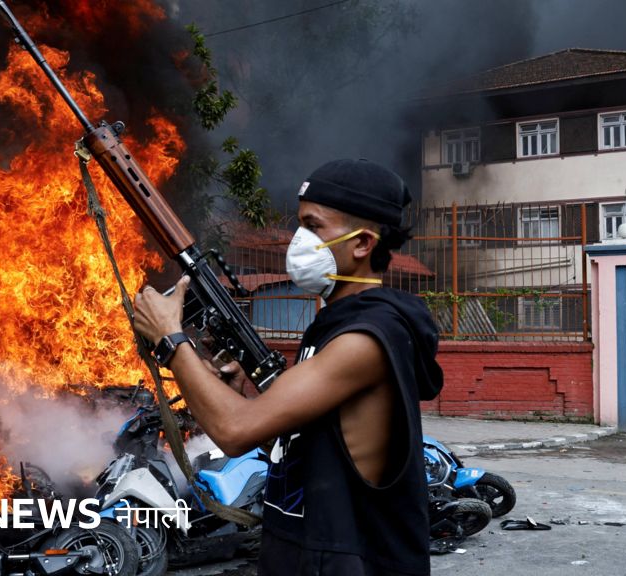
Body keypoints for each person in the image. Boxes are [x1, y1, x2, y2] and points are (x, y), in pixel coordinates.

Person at [133, 159, 443, 575]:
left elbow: (235, 433)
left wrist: (171, 339)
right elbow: (296, 447)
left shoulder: (366, 338)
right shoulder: (334, 324)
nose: (297, 240)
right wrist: (242, 391)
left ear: (363, 243)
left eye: (314, 226)